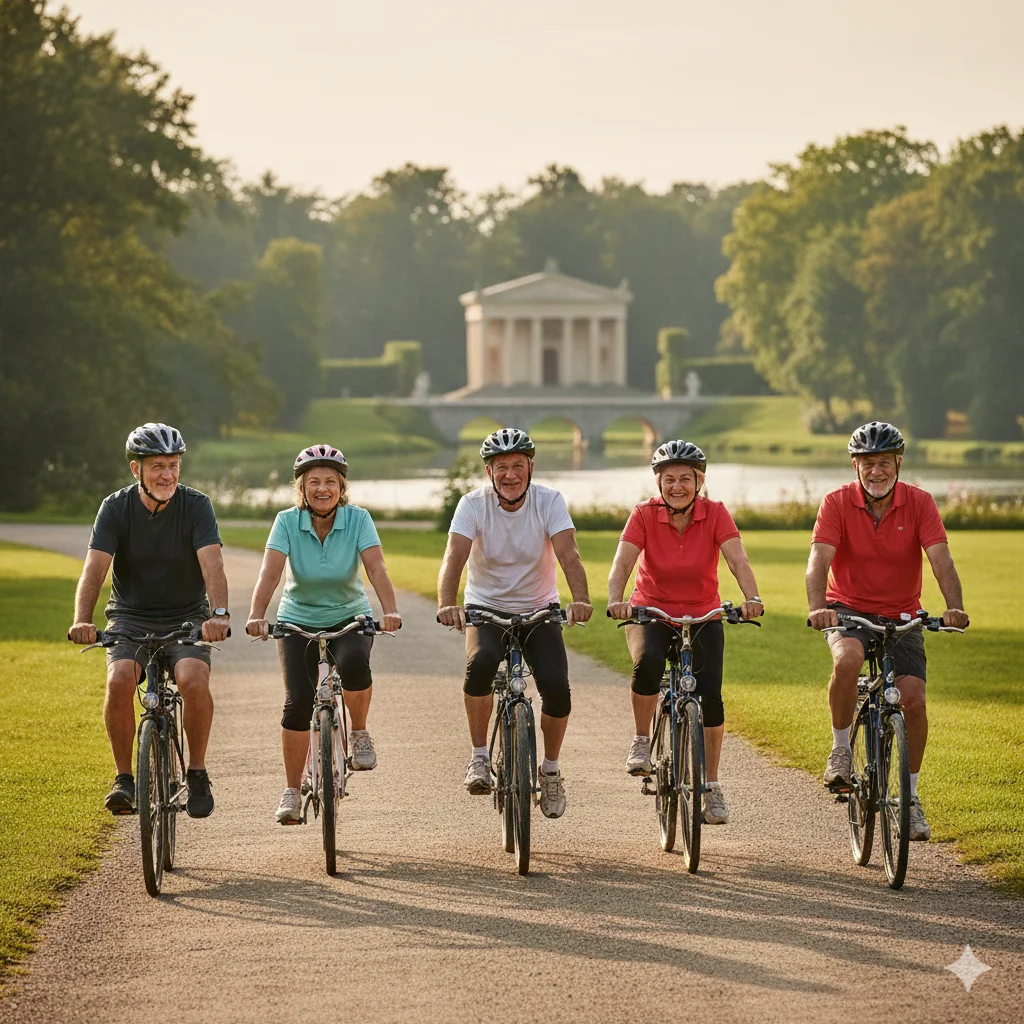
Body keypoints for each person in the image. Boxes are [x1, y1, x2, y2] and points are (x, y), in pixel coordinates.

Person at [806, 421, 969, 842]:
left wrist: (954, 607)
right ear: (855, 466)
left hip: (902, 614)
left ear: (898, 463)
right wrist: (818, 607)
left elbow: (941, 559)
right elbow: (818, 561)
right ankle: (841, 750)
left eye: (883, 462)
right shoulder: (836, 502)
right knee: (848, 660)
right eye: (866, 463)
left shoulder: (919, 503)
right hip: (848, 608)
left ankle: (910, 799)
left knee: (913, 699)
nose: (875, 471)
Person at [68, 423, 230, 817]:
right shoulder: (115, 507)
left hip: (186, 615)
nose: (168, 475)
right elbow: (95, 568)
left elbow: (213, 565)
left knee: (193, 679)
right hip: (130, 616)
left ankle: (196, 771)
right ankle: (124, 778)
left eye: (174, 465)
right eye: (158, 466)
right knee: (119, 678)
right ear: (135, 469)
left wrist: (219, 614)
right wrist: (82, 619)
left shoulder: (196, 505)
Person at [436, 428, 593, 819]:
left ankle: (551, 771)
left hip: (540, 609)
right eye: (501, 467)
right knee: (481, 664)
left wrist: (581, 600)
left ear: (530, 467)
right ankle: (478, 757)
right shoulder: (472, 505)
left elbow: (568, 554)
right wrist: (447, 604)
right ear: (489, 471)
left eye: (517, 466)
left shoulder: (549, 501)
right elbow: (454, 558)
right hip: (486, 608)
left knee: (556, 686)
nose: (510, 474)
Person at [607, 440, 763, 825]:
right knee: (647, 664)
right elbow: (623, 562)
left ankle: (710, 786)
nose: (678, 486)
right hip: (652, 610)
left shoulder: (716, 514)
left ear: (700, 481)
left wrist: (751, 597)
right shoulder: (644, 514)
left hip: (703, 613)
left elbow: (737, 559)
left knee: (710, 696)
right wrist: (617, 599)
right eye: (670, 479)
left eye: (686, 479)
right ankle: (642, 741)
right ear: (659, 483)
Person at [246, 445, 402, 824]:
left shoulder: (359, 519)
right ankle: (291, 791)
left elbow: (376, 568)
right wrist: (256, 615)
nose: (322, 488)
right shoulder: (286, 521)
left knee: (353, 664)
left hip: (349, 615)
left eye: (330, 481)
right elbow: (270, 573)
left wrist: (390, 610)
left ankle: (360, 732)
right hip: (296, 618)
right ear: (301, 487)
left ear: (341, 486)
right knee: (297, 702)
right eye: (313, 481)